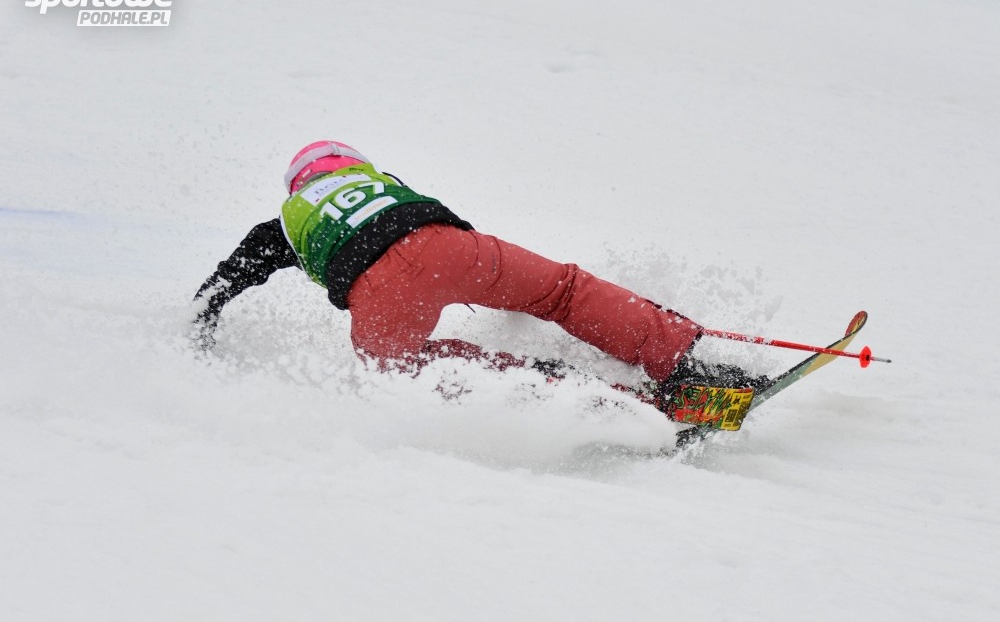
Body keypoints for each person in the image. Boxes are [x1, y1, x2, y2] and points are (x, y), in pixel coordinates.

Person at [190, 140, 760, 406]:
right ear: (353, 165)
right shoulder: (379, 180)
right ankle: (685, 361)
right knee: (563, 292)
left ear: (298, 185)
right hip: (452, 247)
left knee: (402, 375)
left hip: (377, 289)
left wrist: (201, 325)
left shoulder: (286, 223)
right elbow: (437, 225)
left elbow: (226, 280)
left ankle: (591, 400)